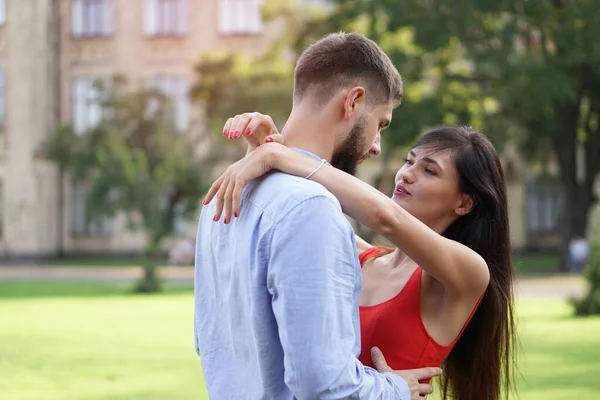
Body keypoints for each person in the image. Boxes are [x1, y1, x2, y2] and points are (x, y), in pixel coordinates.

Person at [194, 32, 442, 400]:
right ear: (354, 102)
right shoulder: (312, 208)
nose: (376, 145)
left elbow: (208, 343)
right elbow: (324, 386)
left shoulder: (222, 196)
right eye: (381, 124)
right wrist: (395, 388)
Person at [205, 120, 517, 400]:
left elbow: (384, 217)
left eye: (429, 170)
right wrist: (264, 148)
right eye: (410, 161)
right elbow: (294, 209)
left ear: (464, 203)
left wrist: (276, 156)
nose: (407, 173)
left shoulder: (468, 274)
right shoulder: (361, 258)